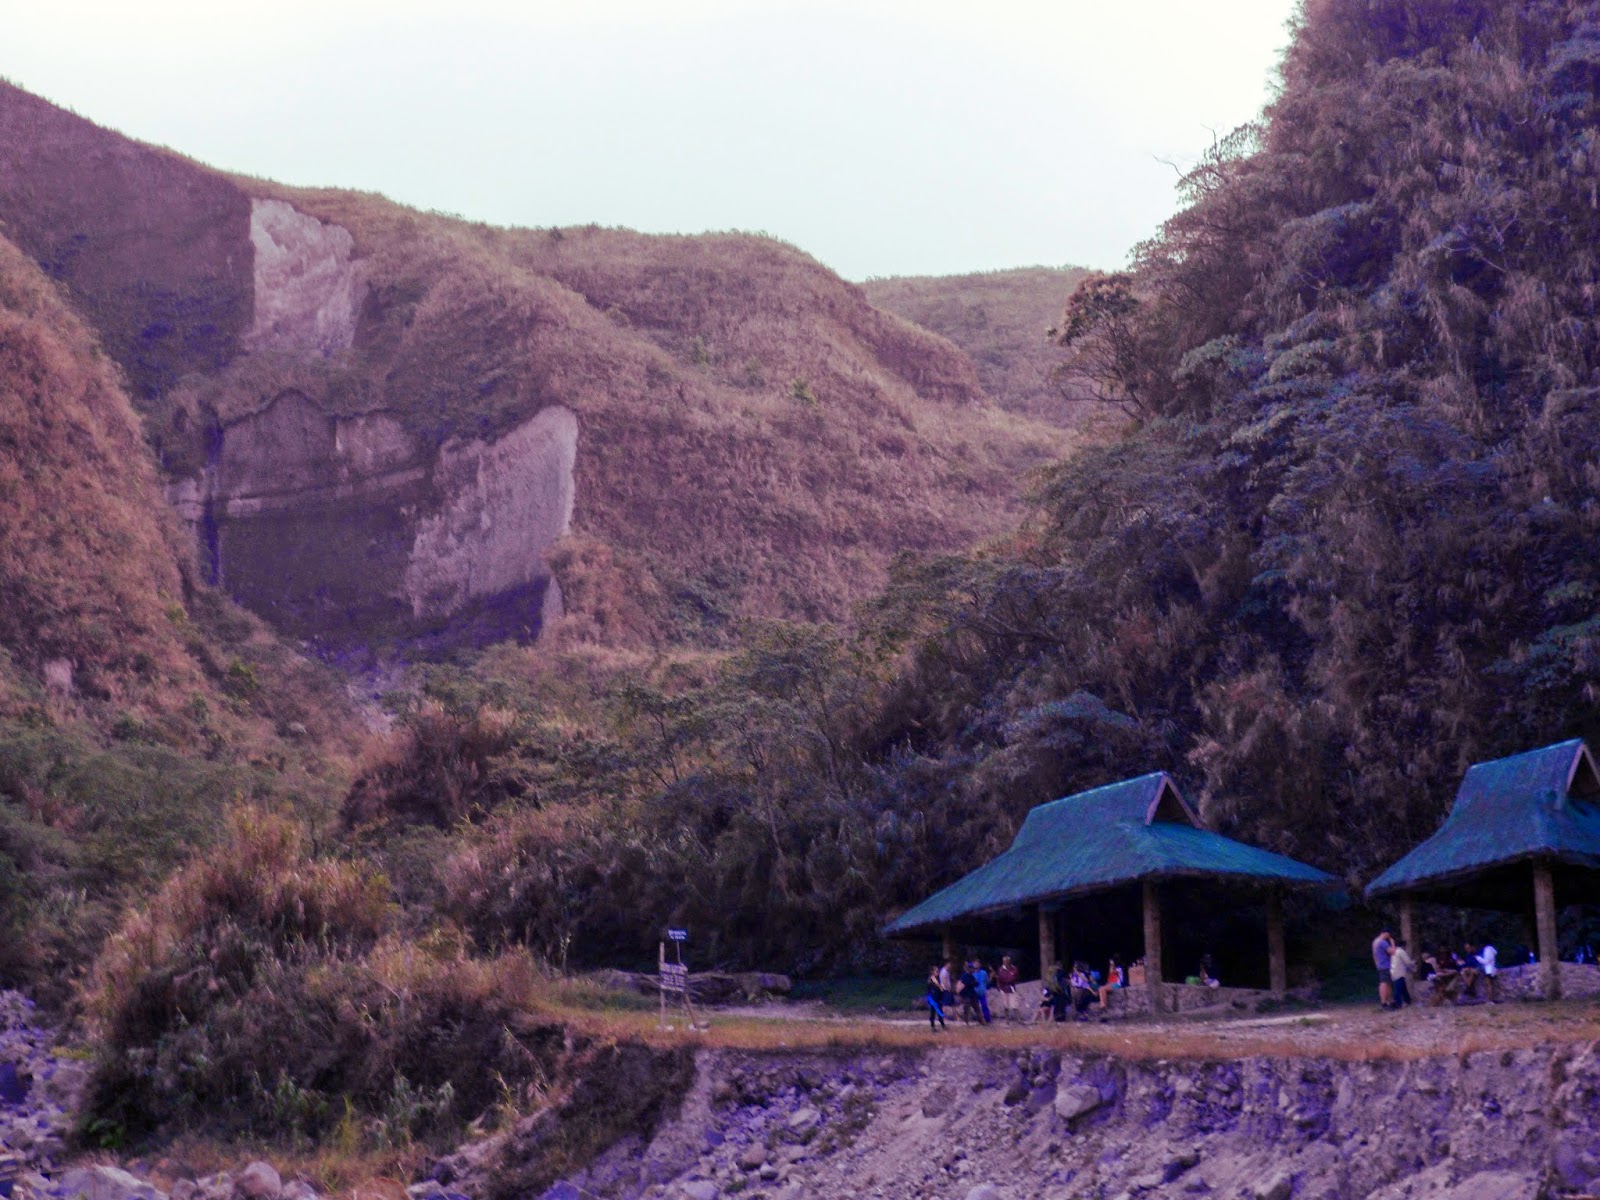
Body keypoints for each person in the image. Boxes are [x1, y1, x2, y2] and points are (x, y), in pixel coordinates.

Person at [1373, 931, 1396, 1008]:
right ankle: (1384, 1002)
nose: (1388, 937)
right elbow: (1393, 952)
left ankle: (1391, 1001)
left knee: (1388, 983)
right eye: (1388, 935)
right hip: (1385, 965)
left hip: (1380, 964)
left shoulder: (1375, 942)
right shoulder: (1383, 942)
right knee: (1384, 983)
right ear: (1385, 933)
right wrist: (1392, 943)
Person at [1389, 940, 1415, 1008]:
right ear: (1404, 946)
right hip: (1399, 973)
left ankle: (1407, 1000)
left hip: (1393, 971)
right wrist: (1414, 963)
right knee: (1398, 989)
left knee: (1403, 987)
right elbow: (1408, 962)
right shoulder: (1401, 951)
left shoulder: (1394, 951)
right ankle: (1397, 1003)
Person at [994, 955, 1021, 1022]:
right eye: (1004, 961)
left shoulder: (1014, 968)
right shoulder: (1000, 969)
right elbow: (999, 979)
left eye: (1007, 961)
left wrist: (1007, 980)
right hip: (1003, 989)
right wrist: (999, 987)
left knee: (1015, 1005)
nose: (1005, 962)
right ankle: (1007, 1020)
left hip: (1011, 988)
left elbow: (1014, 978)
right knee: (1005, 1005)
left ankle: (1018, 1019)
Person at [924, 965, 947, 1031]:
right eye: (936, 971)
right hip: (933, 998)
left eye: (938, 971)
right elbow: (929, 989)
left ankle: (943, 1025)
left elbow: (941, 988)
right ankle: (933, 1027)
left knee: (940, 1012)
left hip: (938, 998)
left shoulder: (938, 979)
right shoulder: (931, 979)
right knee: (933, 1013)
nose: (938, 972)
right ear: (932, 972)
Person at [973, 959, 993, 1024]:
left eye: (977, 963)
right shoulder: (972, 973)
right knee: (976, 1007)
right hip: (974, 993)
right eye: (975, 964)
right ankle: (979, 1020)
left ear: (980, 965)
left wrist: (991, 977)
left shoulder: (983, 973)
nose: (976, 965)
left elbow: (987, 982)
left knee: (984, 1006)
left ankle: (988, 1020)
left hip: (982, 992)